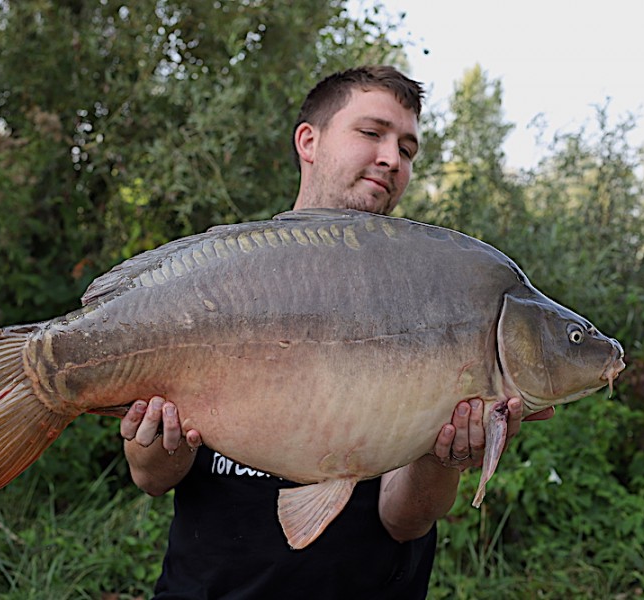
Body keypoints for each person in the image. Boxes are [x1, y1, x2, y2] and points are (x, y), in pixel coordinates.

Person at [120, 65, 554, 599]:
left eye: (409, 149)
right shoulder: (222, 278)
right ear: (309, 139)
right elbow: (152, 478)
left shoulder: (431, 288)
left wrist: (446, 458)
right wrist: (159, 442)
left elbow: (404, 521)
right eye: (372, 133)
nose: (393, 158)